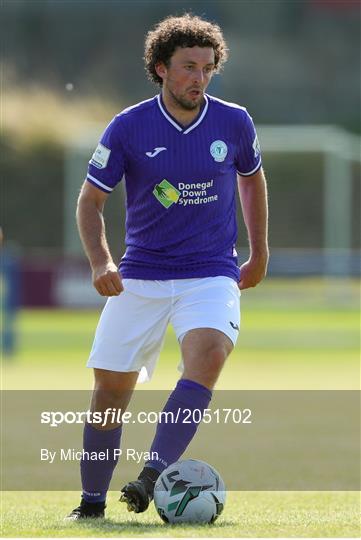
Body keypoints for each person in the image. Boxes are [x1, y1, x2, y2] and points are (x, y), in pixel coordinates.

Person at [66, 13, 268, 520]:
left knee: (211, 353)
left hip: (211, 271)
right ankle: (91, 506)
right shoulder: (128, 126)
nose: (198, 77)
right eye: (187, 67)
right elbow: (90, 202)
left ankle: (154, 474)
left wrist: (261, 251)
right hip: (141, 275)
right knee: (108, 397)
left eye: (207, 67)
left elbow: (251, 181)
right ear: (160, 68)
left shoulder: (234, 121)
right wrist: (101, 261)